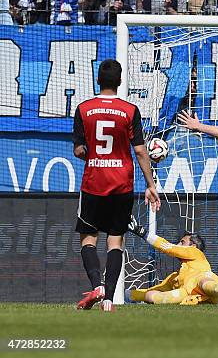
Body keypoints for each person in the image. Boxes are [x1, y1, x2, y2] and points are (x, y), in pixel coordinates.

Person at [72, 59, 160, 312]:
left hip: (93, 183)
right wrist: (150, 184)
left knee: (88, 240)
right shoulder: (130, 110)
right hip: (122, 184)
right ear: (120, 82)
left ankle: (96, 284)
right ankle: (109, 298)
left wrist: (87, 151)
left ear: (97, 80)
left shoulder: (84, 108)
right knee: (115, 242)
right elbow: (141, 151)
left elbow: (79, 149)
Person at [126, 224, 218, 305]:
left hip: (206, 285)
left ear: (193, 246)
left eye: (182, 242)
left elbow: (169, 247)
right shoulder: (175, 277)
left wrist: (143, 233)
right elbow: (157, 288)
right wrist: (128, 294)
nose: (178, 245)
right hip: (187, 294)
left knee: (204, 283)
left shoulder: (196, 253)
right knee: (151, 296)